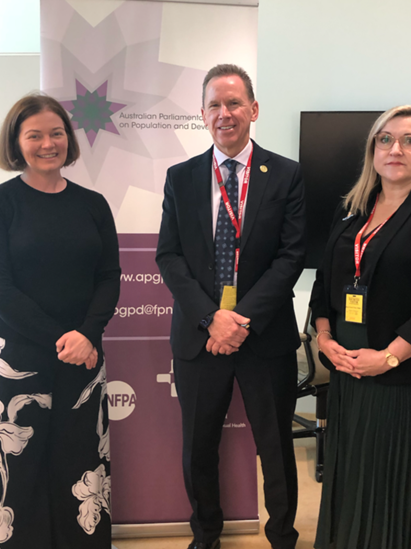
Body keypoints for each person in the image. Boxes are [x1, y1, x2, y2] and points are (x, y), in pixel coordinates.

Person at [310, 105, 411, 549]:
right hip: (352, 373)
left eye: (409, 140)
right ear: (372, 151)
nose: (395, 148)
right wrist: (325, 340)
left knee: (404, 490)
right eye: (385, 139)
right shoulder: (352, 210)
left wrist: (387, 357)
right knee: (357, 481)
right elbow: (326, 283)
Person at [156, 64, 306, 549]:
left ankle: (282, 535)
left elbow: (291, 256)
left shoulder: (286, 174)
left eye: (235, 103)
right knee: (199, 448)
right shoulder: (180, 178)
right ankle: (206, 537)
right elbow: (169, 256)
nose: (226, 113)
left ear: (253, 110)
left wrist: (240, 319)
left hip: (263, 335)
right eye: (215, 105)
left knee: (276, 447)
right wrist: (210, 317)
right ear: (202, 114)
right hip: (200, 336)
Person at [0, 94, 121, 549]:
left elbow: (109, 277)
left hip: (82, 361)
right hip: (14, 364)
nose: (47, 143)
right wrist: (64, 338)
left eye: (56, 133)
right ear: (17, 142)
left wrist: (88, 335)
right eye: (34, 135)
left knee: (80, 468)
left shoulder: (93, 204)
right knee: (19, 476)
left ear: (68, 140)